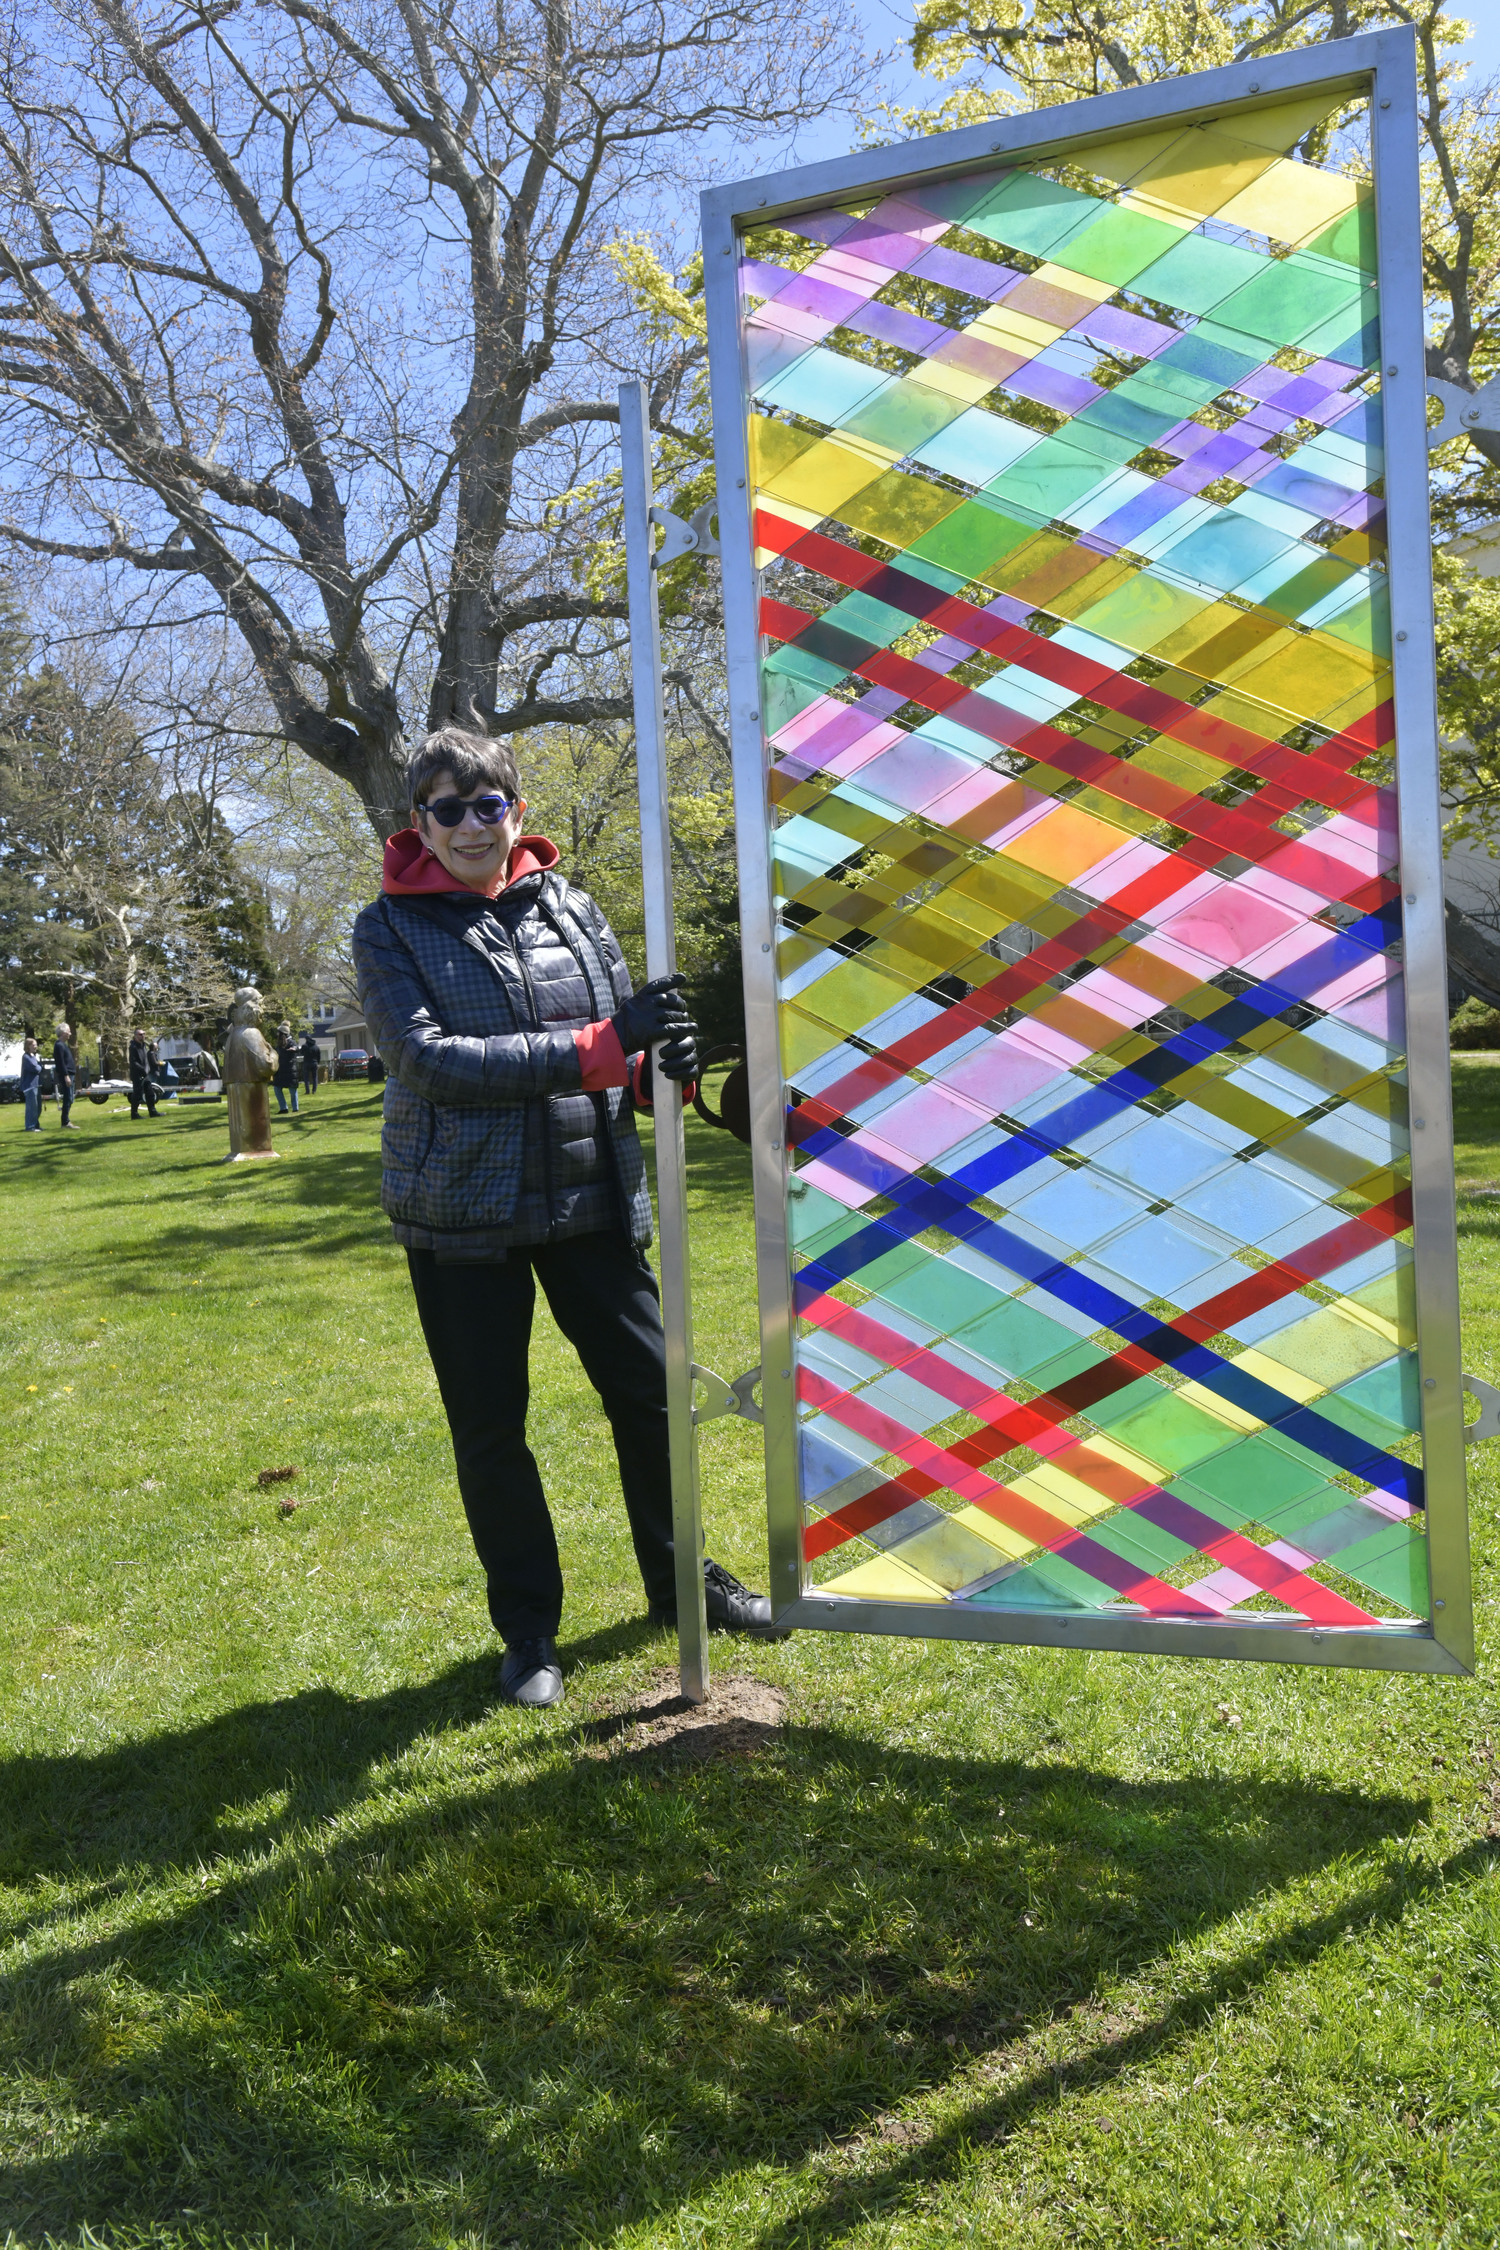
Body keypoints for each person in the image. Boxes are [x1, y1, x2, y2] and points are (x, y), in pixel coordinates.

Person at [352, 725, 774, 1710]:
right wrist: (596, 1046)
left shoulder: (576, 909)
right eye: (446, 810)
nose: (468, 826)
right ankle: (530, 1632)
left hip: (590, 1198)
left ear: (517, 812)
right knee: (492, 1428)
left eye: (486, 804)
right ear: (420, 823)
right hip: (463, 1217)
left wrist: (649, 1063)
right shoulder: (388, 928)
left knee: (653, 1397)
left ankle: (685, 1588)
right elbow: (431, 1063)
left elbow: (619, 1043)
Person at [127, 1028, 158, 1120]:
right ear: (135, 1036)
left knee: (150, 1093)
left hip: (145, 1074)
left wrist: (148, 1070)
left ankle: (152, 1112)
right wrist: (142, 1070)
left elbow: (145, 1060)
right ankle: (134, 1114)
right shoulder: (133, 1047)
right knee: (137, 1094)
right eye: (140, 1034)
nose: (143, 1035)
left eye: (144, 1034)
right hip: (137, 1074)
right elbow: (133, 1062)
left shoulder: (144, 1046)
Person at [52, 1023, 78, 1129]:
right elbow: (60, 1063)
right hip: (66, 1075)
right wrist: (66, 1076)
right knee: (68, 1098)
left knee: (70, 1098)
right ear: (63, 1032)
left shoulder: (63, 1045)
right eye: (68, 1031)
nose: (70, 1033)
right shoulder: (59, 1045)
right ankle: (65, 1122)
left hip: (70, 1074)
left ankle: (66, 1120)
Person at [273, 1023, 300, 1113]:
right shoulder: (279, 1044)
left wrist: (295, 1049)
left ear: (283, 1034)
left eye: (279, 1033)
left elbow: (297, 1048)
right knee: (277, 1088)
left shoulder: (291, 1042)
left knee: (292, 1091)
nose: (277, 1034)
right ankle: (283, 1108)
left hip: (290, 1071)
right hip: (280, 1071)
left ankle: (295, 1108)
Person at [20, 1036, 42, 1131]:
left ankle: (36, 1125)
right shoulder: (26, 1057)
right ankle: (30, 1127)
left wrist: (39, 1066)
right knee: (31, 1107)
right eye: (33, 1045)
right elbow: (36, 1068)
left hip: (36, 1085)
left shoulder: (33, 1056)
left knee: (37, 1107)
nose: (35, 1046)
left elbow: (38, 1067)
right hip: (29, 1086)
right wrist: (39, 1067)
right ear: (28, 1046)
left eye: (36, 1045)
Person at [299, 1030, 321, 1096]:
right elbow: (319, 1056)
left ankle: (307, 1091)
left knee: (306, 1077)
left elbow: (301, 1053)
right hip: (314, 1063)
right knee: (314, 1077)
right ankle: (314, 1090)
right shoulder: (316, 1047)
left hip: (306, 1063)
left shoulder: (304, 1046)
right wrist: (318, 1063)